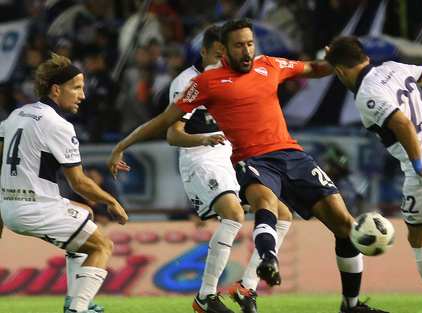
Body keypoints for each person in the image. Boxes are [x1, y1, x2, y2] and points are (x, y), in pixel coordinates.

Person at [108, 18, 387, 313]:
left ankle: (351, 306)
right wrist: (122, 144)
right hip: (251, 159)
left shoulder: (270, 65)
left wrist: (332, 59)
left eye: (250, 44)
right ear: (224, 49)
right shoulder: (204, 83)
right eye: (239, 45)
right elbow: (165, 121)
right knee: (265, 203)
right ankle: (265, 261)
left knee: (344, 224)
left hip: (292, 155)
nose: (246, 51)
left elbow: (313, 69)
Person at [325, 35, 422, 313]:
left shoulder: (367, 93)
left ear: (340, 71)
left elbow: (402, 123)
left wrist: (418, 166)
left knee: (419, 238)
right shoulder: (392, 67)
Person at [167, 25, 292, 313]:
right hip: (201, 157)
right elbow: (173, 134)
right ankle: (206, 297)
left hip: (232, 156)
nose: (222, 60)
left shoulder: (235, 77)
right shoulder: (187, 81)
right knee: (234, 215)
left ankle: (246, 287)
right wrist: (203, 138)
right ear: (204, 52)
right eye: (217, 54)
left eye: (226, 54)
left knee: (282, 214)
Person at [0, 52, 128, 313]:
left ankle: (75, 297)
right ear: (56, 89)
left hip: (11, 207)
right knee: (103, 245)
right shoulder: (57, 125)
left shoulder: (16, 115)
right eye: (77, 88)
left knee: (86, 214)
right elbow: (79, 182)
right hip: (38, 208)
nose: (82, 95)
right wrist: (112, 201)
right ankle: (77, 309)